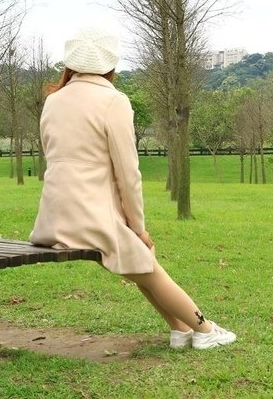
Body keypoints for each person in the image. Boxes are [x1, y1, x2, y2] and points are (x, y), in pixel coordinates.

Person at [30, 26, 236, 350]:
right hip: (91, 217)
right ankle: (205, 329)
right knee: (144, 255)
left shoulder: (53, 101)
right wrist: (138, 227)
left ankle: (180, 328)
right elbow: (129, 174)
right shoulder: (113, 101)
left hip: (53, 219)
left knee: (138, 257)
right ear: (110, 66)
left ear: (71, 64)